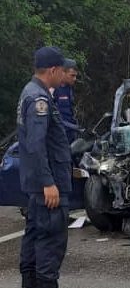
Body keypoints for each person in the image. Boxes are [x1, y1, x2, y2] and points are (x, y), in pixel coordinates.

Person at [17, 46, 71, 288]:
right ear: (53, 70)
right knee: (49, 253)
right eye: (63, 71)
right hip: (47, 190)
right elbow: (36, 145)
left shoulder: (31, 92)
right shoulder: (39, 99)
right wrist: (49, 182)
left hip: (36, 190)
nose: (64, 75)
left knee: (32, 253)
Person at [53, 58, 79, 144]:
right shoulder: (53, 89)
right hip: (59, 134)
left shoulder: (69, 88)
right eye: (72, 75)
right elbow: (53, 117)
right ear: (62, 73)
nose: (75, 79)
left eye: (75, 76)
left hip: (70, 133)